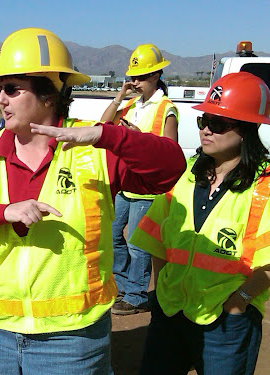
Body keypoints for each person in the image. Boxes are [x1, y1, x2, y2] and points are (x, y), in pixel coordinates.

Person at [0, 27, 186, 374]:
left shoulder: (94, 151)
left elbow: (170, 169)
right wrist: (2, 213)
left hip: (71, 342)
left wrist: (105, 134)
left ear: (49, 93)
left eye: (11, 88)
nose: (1, 99)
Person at [130, 72, 270, 375]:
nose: (206, 130)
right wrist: (161, 289)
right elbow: (157, 236)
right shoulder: (187, 175)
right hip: (171, 310)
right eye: (203, 121)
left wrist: (239, 302)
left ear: (248, 128)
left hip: (225, 322)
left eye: (219, 124)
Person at [100, 44, 178, 315]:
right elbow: (104, 126)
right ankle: (122, 284)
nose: (135, 82)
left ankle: (136, 294)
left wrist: (137, 137)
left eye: (141, 77)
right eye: (132, 77)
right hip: (125, 185)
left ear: (156, 75)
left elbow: (171, 150)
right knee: (111, 235)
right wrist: (119, 96)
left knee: (138, 242)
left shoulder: (165, 107)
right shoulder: (132, 105)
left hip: (146, 189)